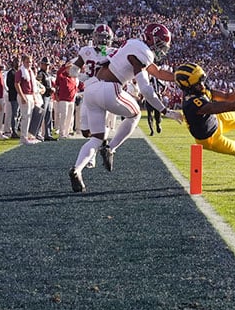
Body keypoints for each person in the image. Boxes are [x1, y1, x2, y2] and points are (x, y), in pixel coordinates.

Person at [68, 23, 179, 192]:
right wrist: (166, 111)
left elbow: (157, 73)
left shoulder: (133, 44)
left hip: (91, 89)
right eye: (160, 44)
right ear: (152, 40)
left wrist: (178, 78)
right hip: (109, 88)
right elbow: (146, 89)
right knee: (134, 115)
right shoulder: (143, 53)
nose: (162, 49)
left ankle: (77, 170)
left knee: (96, 138)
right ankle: (111, 149)